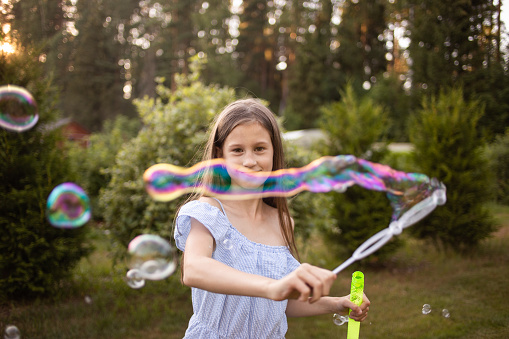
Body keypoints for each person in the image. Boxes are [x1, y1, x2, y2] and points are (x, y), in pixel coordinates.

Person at [174, 98, 370, 338]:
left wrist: (337, 303)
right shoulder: (210, 211)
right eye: (237, 150)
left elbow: (280, 302)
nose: (250, 161)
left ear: (273, 151)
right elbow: (193, 269)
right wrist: (272, 287)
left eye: (259, 149)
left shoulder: (282, 221)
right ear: (220, 156)